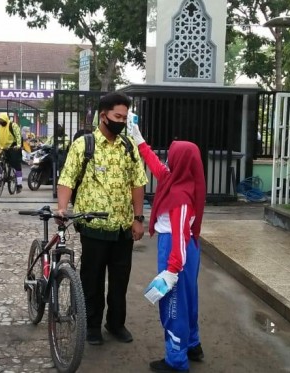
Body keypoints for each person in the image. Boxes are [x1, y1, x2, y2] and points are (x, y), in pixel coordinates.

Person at [56, 92, 148, 345]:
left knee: (120, 281)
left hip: (122, 228)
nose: (121, 121)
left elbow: (137, 183)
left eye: (124, 118)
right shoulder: (84, 145)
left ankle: (116, 324)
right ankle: (92, 325)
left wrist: (138, 218)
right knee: (92, 279)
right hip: (94, 228)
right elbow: (67, 178)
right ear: (103, 115)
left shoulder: (128, 147)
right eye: (117, 116)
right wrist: (62, 208)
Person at [130, 125, 206, 373]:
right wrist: (140, 141)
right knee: (188, 299)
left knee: (173, 304)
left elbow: (181, 236)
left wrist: (171, 271)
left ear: (179, 162)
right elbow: (156, 167)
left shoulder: (180, 196)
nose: (166, 161)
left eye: (171, 157)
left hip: (177, 251)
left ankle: (176, 361)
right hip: (185, 249)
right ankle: (192, 345)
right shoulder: (178, 179)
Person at [0, 113, 24, 193]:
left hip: (13, 146)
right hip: (4, 147)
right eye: (0, 120)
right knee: (1, 162)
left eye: (2, 120)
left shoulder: (13, 125)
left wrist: (18, 145)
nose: (1, 121)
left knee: (17, 165)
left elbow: (18, 136)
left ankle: (19, 184)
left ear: (6, 119)